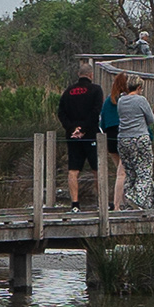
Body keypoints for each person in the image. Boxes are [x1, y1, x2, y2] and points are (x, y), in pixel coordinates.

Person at [57, 69, 105, 206]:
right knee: (97, 169)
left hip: (72, 135)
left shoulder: (68, 91)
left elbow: (61, 113)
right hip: (90, 135)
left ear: (79, 74)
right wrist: (84, 129)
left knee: (73, 170)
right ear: (91, 75)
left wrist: (72, 128)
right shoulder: (96, 90)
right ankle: (101, 202)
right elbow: (96, 111)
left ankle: (75, 203)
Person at [114, 72, 154, 210]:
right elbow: (151, 119)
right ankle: (136, 198)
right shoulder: (141, 100)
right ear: (139, 87)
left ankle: (150, 200)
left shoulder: (121, 100)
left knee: (130, 171)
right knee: (145, 171)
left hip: (123, 139)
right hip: (140, 138)